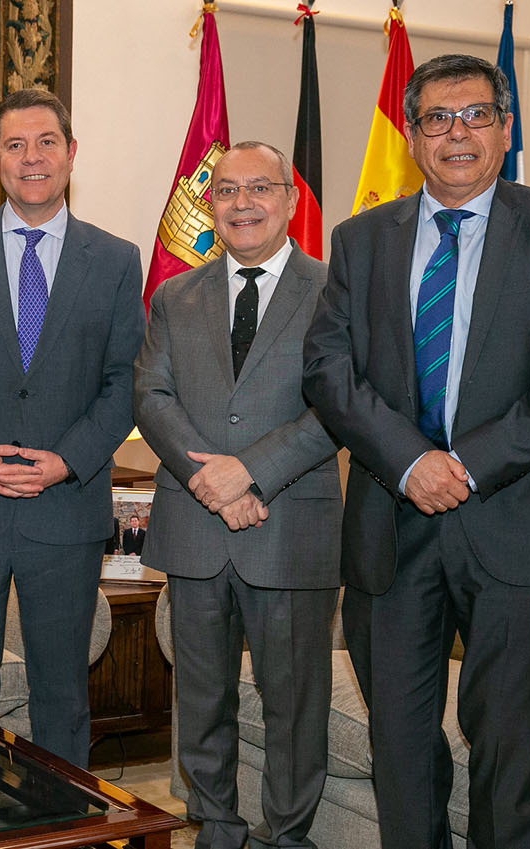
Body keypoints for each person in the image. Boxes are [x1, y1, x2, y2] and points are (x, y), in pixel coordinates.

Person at [303, 54, 530, 849]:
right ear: (411, 135)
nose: (458, 133)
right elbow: (327, 370)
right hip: (391, 523)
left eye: (477, 114)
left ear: (505, 130)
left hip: (517, 524)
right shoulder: (360, 238)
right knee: (399, 747)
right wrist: (411, 461)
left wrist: (466, 462)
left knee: (506, 742)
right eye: (437, 118)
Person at [0, 88, 145, 768]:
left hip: (64, 510)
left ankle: (58, 833)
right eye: (14, 145)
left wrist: (67, 461)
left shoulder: (116, 258)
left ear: (70, 154)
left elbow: (123, 380)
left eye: (46, 142)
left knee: (62, 694)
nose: (31, 157)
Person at [135, 141, 340, 849]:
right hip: (195, 527)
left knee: (293, 704)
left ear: (288, 199)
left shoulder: (333, 289)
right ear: (210, 203)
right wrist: (210, 481)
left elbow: (341, 406)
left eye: (259, 188)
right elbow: (151, 393)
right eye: (226, 190)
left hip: (288, 525)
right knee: (200, 698)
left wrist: (248, 474)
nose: (242, 202)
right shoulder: (174, 293)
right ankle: (216, 827)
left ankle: (287, 835)